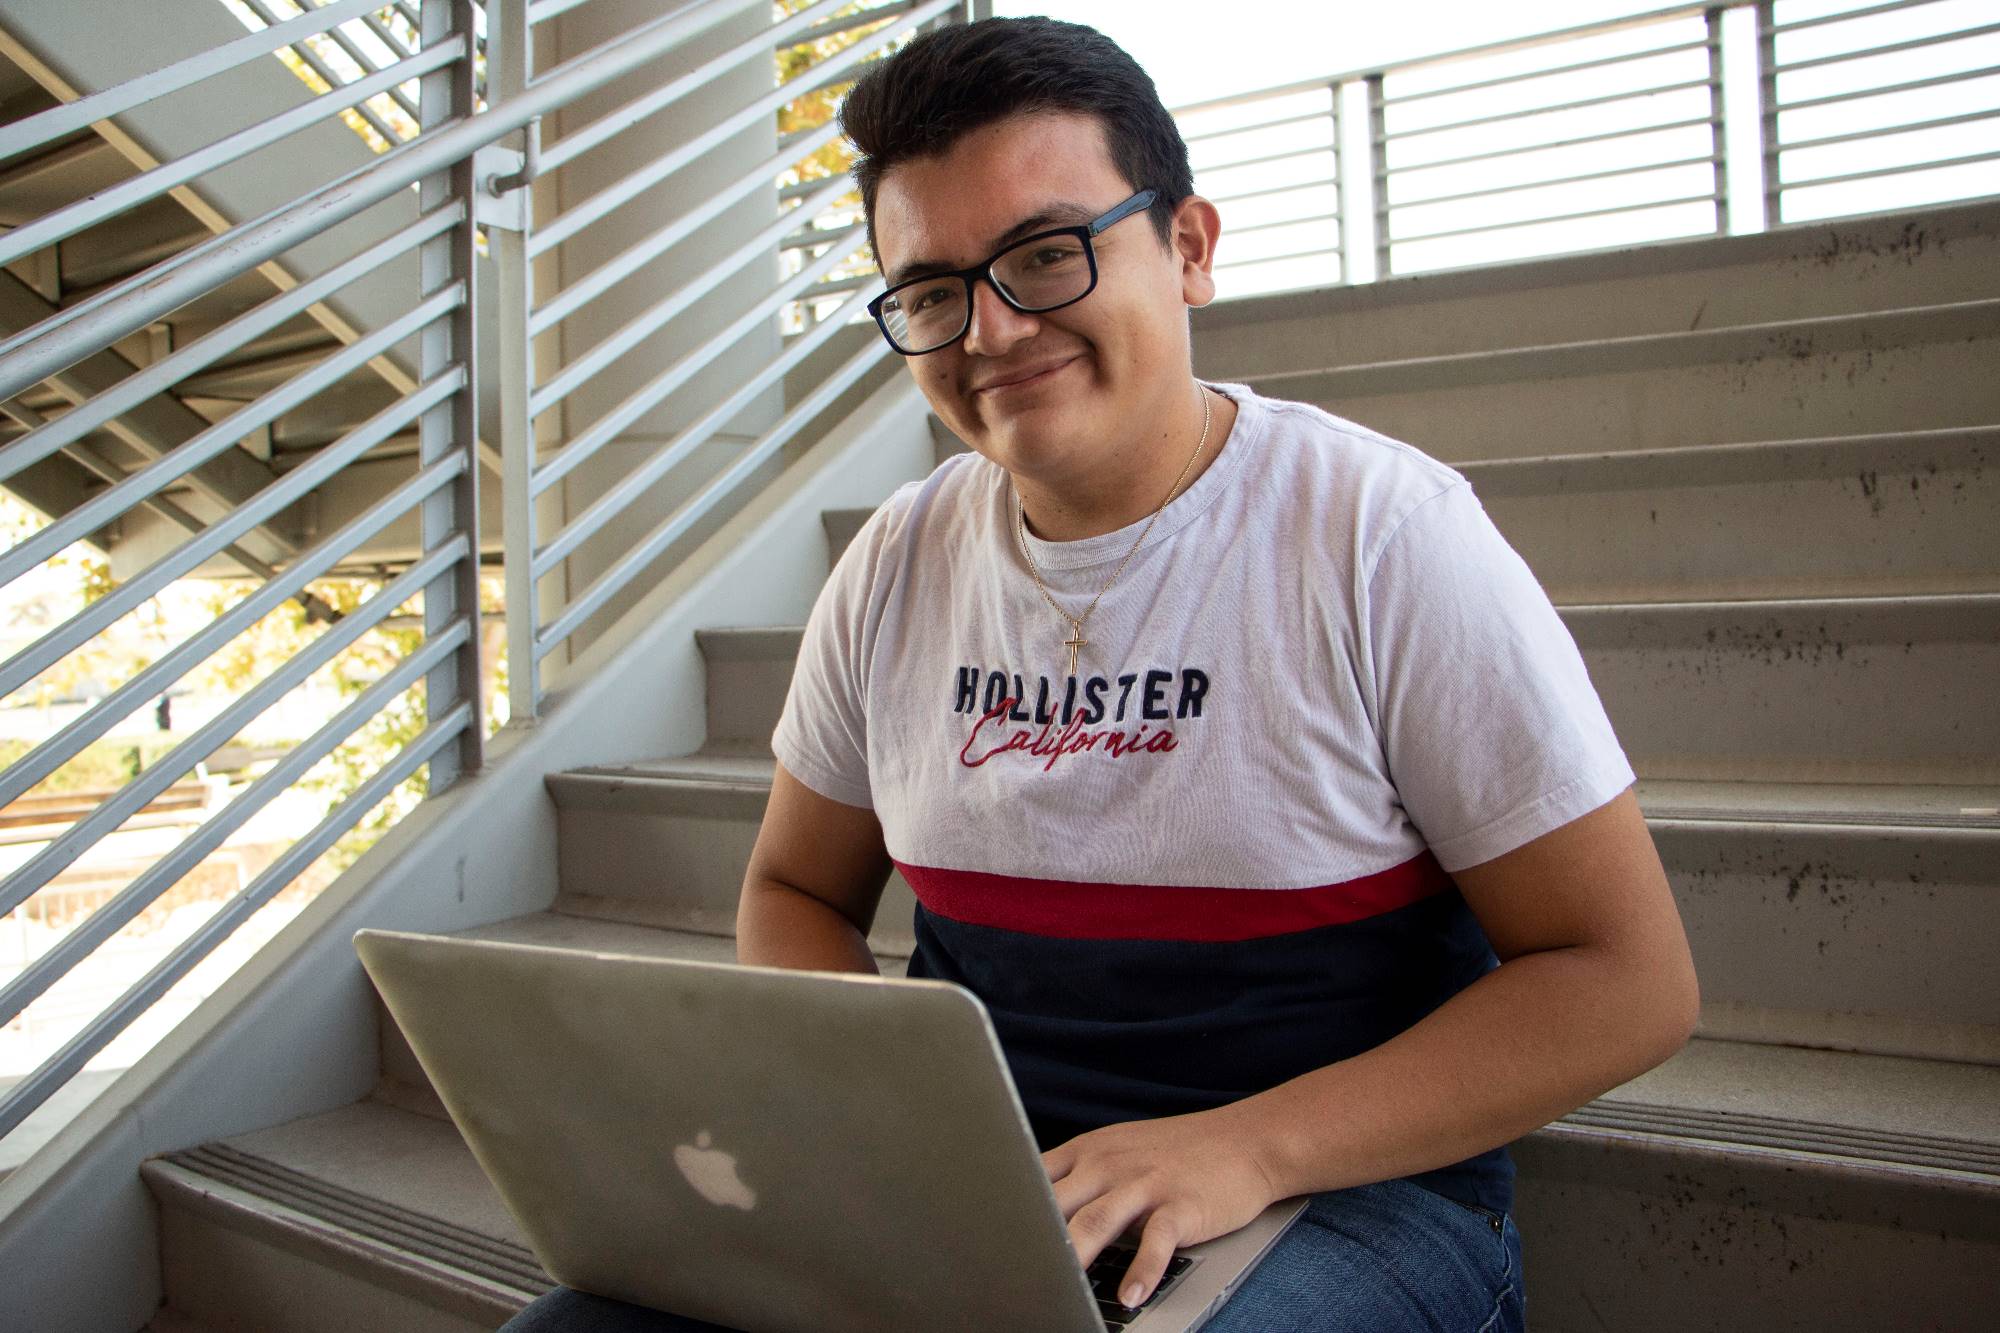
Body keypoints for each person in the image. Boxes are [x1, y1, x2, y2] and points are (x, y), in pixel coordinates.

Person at [504, 15, 1698, 1332]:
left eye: (1044, 253)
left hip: (1345, 1196)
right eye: (934, 290)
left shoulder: (1380, 535)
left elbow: (1627, 976)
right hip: (991, 1196)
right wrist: (874, 1133)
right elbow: (793, 888)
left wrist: (1245, 1147)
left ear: (1186, 249)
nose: (994, 328)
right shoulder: (895, 564)